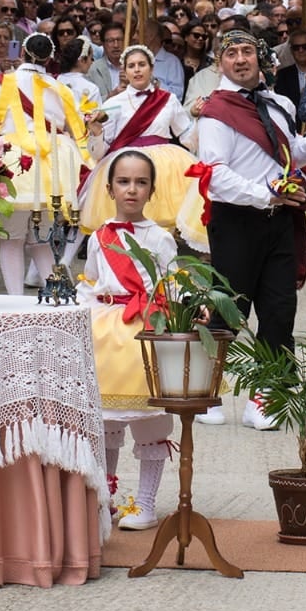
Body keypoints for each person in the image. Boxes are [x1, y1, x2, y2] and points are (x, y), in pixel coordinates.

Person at [190, 29, 306, 429]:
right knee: (229, 309)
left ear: (260, 58)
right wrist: (265, 196)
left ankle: (267, 393)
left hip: (280, 221)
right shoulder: (216, 112)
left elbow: (290, 158)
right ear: (220, 62)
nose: (241, 59)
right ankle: (207, 390)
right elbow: (215, 176)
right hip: (237, 220)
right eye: (232, 53)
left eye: (248, 52)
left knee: (278, 309)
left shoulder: (279, 103)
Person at [81, 151, 177, 531]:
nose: (132, 190)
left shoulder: (160, 238)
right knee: (107, 422)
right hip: (105, 331)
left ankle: (148, 503)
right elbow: (92, 282)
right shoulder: (98, 237)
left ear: (152, 189)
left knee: (150, 418)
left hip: (144, 331)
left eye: (141, 182)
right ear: (109, 188)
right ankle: (106, 498)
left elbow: (170, 284)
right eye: (123, 182)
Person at [0, 34, 86, 295]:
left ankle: (16, 303)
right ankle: (57, 294)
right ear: (50, 57)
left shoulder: (0, 83)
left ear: (23, 53)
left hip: (12, 162)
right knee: (43, 240)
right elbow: (74, 126)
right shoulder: (60, 88)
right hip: (52, 165)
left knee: (10, 240)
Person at [81, 44, 195, 235]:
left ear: (151, 68)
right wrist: (96, 133)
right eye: (131, 65)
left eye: (142, 64)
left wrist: (201, 119)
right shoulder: (113, 103)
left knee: (161, 231)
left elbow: (189, 139)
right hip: (126, 165)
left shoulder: (168, 99)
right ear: (124, 71)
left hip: (166, 169)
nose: (137, 70)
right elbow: (99, 153)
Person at [86, 21, 126, 96]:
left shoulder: (135, 66)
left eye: (119, 40)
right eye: (111, 41)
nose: (116, 45)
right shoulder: (93, 69)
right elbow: (89, 101)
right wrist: (112, 95)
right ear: (103, 44)